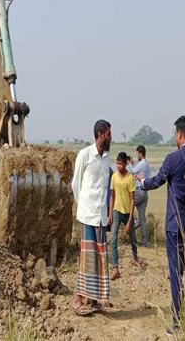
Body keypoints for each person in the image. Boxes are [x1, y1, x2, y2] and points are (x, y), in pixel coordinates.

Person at [136, 115, 185, 336]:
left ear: (179, 134)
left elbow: (156, 182)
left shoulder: (172, 159)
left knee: (176, 272)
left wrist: (141, 182)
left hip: (175, 226)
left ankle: (178, 321)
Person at [71, 120, 113, 316]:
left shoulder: (106, 158)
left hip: (101, 217)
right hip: (88, 215)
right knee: (87, 259)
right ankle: (77, 299)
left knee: (99, 258)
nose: (111, 137)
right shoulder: (85, 155)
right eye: (108, 134)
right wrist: (84, 206)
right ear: (100, 134)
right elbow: (75, 185)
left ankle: (94, 299)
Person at [109, 152, 142, 280]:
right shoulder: (114, 177)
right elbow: (112, 195)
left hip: (128, 212)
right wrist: (110, 213)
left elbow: (133, 200)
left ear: (126, 164)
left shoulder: (130, 178)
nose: (119, 166)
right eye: (117, 163)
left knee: (133, 237)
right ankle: (116, 268)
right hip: (117, 211)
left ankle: (135, 258)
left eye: (121, 164)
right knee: (113, 238)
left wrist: (129, 222)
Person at [132, 145, 152, 247]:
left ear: (140, 153)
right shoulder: (147, 164)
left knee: (127, 205)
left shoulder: (142, 163)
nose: (137, 155)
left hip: (139, 191)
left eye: (137, 154)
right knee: (143, 219)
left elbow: (132, 172)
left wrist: (130, 164)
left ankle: (134, 222)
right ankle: (145, 241)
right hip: (145, 192)